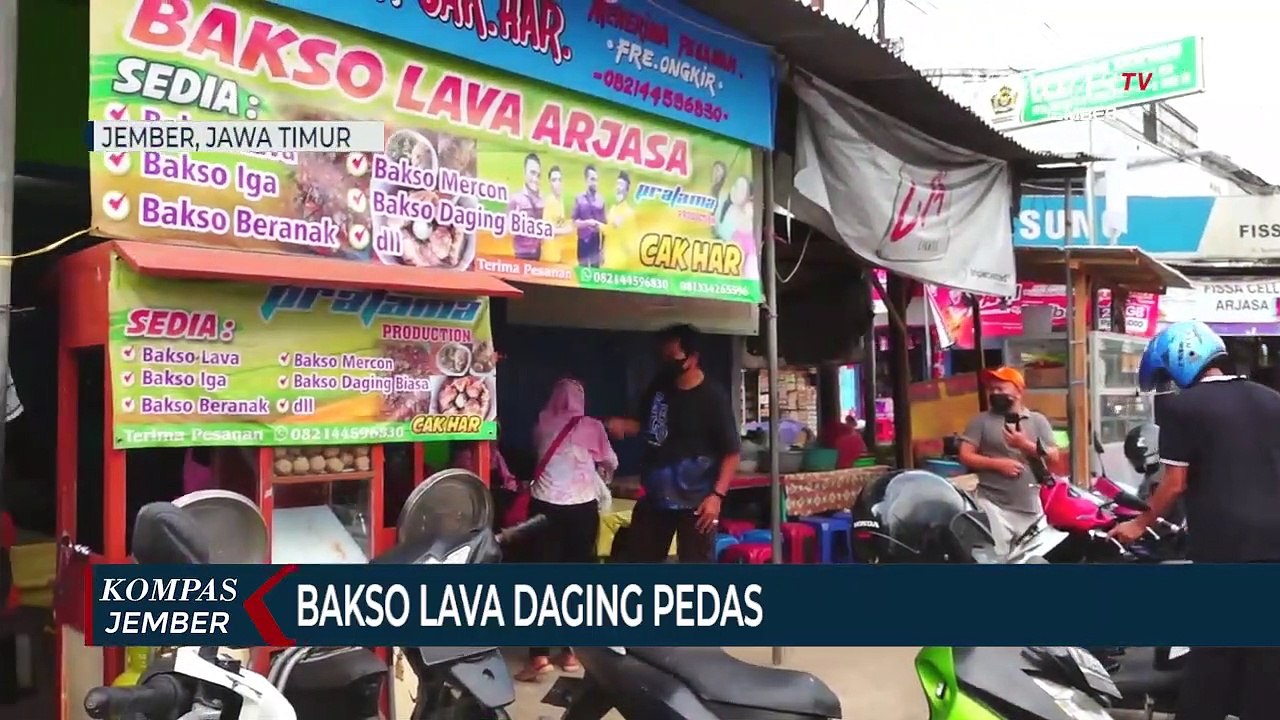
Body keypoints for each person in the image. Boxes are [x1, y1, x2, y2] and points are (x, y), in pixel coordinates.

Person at [1109, 320, 1280, 720]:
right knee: (1267, 661)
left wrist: (1139, 524)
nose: (1171, 384)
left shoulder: (1182, 408)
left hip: (1225, 550)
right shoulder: (1272, 400)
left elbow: (1174, 484)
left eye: (1168, 374)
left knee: (1212, 658)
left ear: (1183, 360)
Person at [604, 324, 740, 562]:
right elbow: (645, 424)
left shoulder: (713, 398)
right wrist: (622, 425)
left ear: (693, 358)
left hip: (697, 502)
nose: (667, 362)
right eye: (663, 356)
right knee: (639, 560)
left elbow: (731, 452)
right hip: (656, 496)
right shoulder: (659, 386)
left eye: (673, 357)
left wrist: (716, 496)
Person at [516, 378, 617, 681]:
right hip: (582, 511)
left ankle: (539, 657)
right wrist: (600, 471)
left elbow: (540, 453)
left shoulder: (543, 422)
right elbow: (610, 460)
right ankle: (572, 654)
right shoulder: (592, 426)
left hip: (545, 511)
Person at [956, 366, 1063, 555]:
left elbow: (1054, 456)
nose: (995, 393)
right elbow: (965, 454)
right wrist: (997, 465)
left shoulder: (1037, 421)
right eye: (992, 389)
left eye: (1001, 388)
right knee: (998, 557)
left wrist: (1024, 444)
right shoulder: (980, 422)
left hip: (1031, 506)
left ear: (1019, 391)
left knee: (1034, 558)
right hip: (992, 506)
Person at [507, 152, 545, 261]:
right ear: (524, 173)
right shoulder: (515, 198)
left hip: (538, 253)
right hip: (521, 254)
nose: (535, 178)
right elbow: (506, 227)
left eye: (538, 175)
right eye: (532, 173)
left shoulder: (542, 200)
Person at [572, 164, 606, 267]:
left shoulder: (601, 200)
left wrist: (602, 250)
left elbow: (605, 227)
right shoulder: (579, 199)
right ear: (586, 180)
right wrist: (587, 223)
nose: (595, 183)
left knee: (595, 275)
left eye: (596, 180)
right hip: (583, 242)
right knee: (583, 273)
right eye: (592, 179)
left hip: (596, 243)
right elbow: (574, 222)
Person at [603, 171, 636, 271]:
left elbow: (631, 246)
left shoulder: (629, 213)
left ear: (626, 191)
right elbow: (606, 231)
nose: (618, 188)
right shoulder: (612, 210)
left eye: (621, 185)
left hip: (619, 268)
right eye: (617, 184)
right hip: (606, 265)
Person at [541, 165, 572, 264]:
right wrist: (566, 230)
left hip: (557, 255)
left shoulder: (560, 201)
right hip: (549, 257)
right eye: (554, 180)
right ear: (549, 183)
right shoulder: (550, 201)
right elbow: (546, 230)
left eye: (559, 180)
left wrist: (568, 223)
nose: (557, 183)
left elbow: (558, 222)